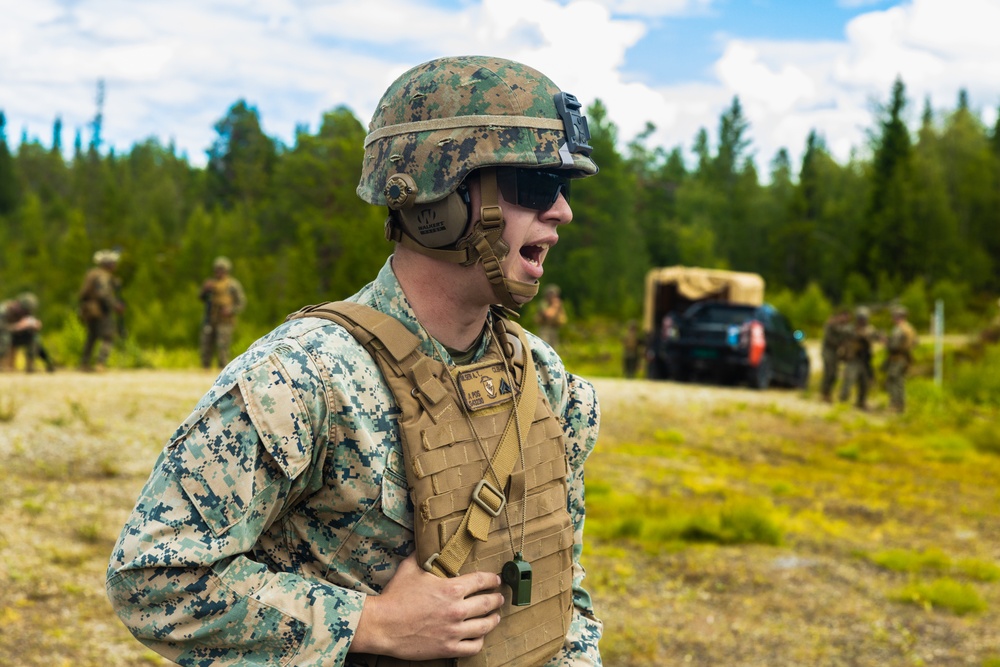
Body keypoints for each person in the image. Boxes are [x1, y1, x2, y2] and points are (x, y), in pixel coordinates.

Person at [107, 55, 603, 666]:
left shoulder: (546, 383)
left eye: (565, 188)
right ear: (437, 201)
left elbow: (563, 593)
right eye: (535, 187)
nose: (562, 211)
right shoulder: (303, 378)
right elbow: (153, 579)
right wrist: (370, 623)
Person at [78, 249, 124, 372]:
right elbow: (103, 294)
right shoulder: (103, 276)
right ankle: (100, 363)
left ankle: (84, 364)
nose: (115, 265)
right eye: (113, 263)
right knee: (108, 337)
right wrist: (115, 305)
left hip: (88, 309)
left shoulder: (91, 273)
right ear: (108, 264)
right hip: (101, 309)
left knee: (91, 336)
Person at [199, 255, 247, 369]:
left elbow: (241, 302)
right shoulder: (211, 284)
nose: (219, 272)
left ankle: (223, 370)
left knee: (223, 347)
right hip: (210, 319)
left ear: (226, 270)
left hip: (225, 321)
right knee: (206, 346)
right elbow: (202, 298)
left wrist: (231, 310)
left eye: (221, 270)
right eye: (217, 270)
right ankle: (205, 369)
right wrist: (204, 290)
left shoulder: (232, 284)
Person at [838, 306, 882, 410]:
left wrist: (878, 336)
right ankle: (843, 401)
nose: (863, 321)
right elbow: (845, 335)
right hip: (853, 359)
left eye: (864, 318)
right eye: (861, 318)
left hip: (865, 360)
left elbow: (876, 337)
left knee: (864, 383)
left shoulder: (870, 329)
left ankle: (861, 402)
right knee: (848, 381)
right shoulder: (850, 328)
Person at [1, 292, 55, 373]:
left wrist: (34, 325)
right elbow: (2, 328)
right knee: (5, 337)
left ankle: (32, 365)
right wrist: (18, 326)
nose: (27, 312)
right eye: (25, 310)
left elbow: (29, 322)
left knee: (34, 337)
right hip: (3, 336)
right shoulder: (3, 310)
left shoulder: (26, 312)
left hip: (15, 336)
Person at [884, 305, 917, 413]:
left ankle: (895, 405)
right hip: (905, 358)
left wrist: (886, 342)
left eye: (894, 316)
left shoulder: (899, 329)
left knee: (893, 381)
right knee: (900, 381)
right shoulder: (910, 328)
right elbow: (916, 342)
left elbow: (893, 346)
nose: (892, 318)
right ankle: (900, 405)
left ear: (898, 317)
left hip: (897, 359)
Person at [819, 309, 851, 403]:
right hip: (828, 351)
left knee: (834, 374)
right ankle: (825, 393)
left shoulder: (842, 327)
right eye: (844, 317)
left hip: (835, 352)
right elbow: (829, 339)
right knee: (829, 372)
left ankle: (828, 393)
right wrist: (840, 343)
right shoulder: (831, 325)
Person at [535, 284, 567, 349]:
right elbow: (548, 315)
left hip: (554, 329)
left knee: (554, 349)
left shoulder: (558, 304)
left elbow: (563, 318)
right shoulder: (544, 303)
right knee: (544, 348)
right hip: (545, 329)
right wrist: (554, 306)